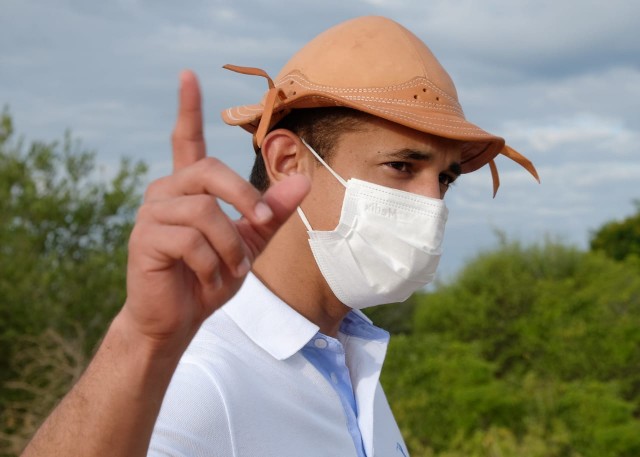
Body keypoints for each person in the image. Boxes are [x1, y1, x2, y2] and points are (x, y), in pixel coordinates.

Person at [20, 16, 538, 457]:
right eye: (402, 166)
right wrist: (141, 341)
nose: (432, 202)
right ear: (288, 162)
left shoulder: (350, 357)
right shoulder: (199, 378)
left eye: (445, 179)